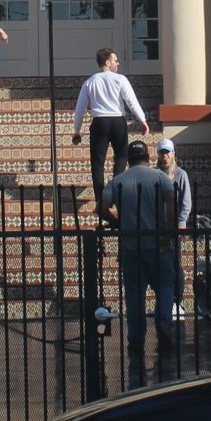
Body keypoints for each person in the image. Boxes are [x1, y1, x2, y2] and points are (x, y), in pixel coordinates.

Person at [102, 137, 184, 381]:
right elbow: (171, 203)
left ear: (128, 159)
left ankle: (136, 340)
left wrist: (118, 223)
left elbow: (101, 207)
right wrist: (167, 232)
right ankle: (164, 325)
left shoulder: (117, 181)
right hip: (158, 246)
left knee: (134, 297)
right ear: (148, 158)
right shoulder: (160, 178)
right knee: (165, 288)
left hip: (131, 247)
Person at [69, 47, 149, 204]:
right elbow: (131, 101)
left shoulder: (89, 82)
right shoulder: (120, 79)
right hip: (118, 121)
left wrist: (77, 130)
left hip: (99, 122)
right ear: (107, 62)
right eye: (115, 60)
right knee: (121, 157)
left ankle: (101, 199)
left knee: (97, 162)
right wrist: (142, 120)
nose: (117, 63)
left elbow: (80, 109)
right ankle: (117, 191)